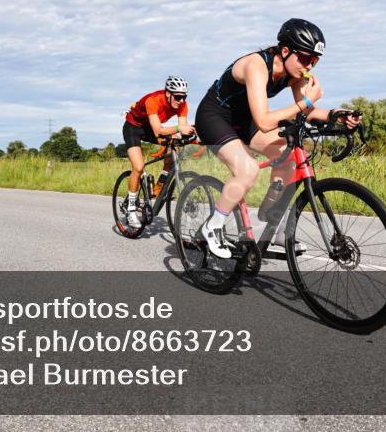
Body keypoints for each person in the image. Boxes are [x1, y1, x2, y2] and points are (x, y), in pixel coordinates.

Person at [194, 19, 361, 258]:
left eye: (314, 61)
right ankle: (213, 225)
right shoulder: (256, 65)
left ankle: (276, 227)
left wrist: (337, 115)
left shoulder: (295, 73)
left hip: (245, 119)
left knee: (291, 157)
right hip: (214, 115)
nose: (309, 66)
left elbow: (308, 111)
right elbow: (265, 121)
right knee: (247, 170)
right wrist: (307, 101)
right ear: (285, 51)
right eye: (305, 58)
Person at [121, 76, 195, 227]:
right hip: (133, 127)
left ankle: (160, 184)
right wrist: (179, 129)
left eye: (184, 97)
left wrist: (193, 135)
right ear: (168, 93)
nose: (181, 100)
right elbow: (158, 131)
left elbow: (182, 129)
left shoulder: (182, 105)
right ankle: (131, 209)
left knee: (175, 146)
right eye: (178, 97)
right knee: (138, 167)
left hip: (149, 129)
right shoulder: (153, 100)